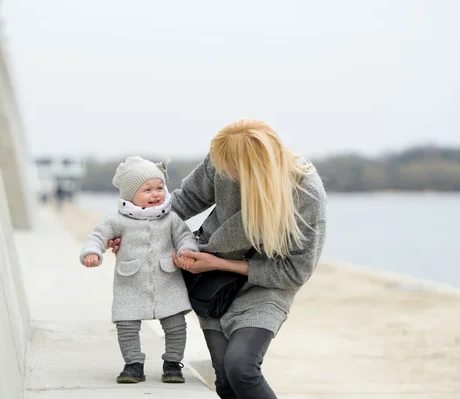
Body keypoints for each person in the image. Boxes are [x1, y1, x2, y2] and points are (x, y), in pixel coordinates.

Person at [108, 119, 327, 399]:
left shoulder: (305, 192)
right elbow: (185, 200)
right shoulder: (222, 158)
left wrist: (219, 263)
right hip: (212, 285)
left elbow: (296, 271)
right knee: (224, 378)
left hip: (266, 285)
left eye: (231, 169)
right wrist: (134, 230)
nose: (224, 172)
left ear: (257, 166)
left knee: (242, 369)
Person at [79, 156, 199, 384]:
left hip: (167, 280)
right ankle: (133, 364)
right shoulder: (118, 220)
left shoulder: (171, 219)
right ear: (129, 195)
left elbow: (185, 237)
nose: (156, 194)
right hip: (130, 282)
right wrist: (92, 252)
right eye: (147, 190)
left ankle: (173, 363)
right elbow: (97, 236)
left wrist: (186, 251)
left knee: (175, 325)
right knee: (126, 325)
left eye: (160, 188)